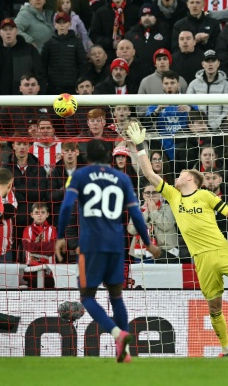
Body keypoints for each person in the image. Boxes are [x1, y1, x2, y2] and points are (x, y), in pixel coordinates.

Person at [126, 122, 228, 357]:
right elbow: (149, 173)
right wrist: (140, 145)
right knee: (214, 308)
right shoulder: (173, 196)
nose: (179, 175)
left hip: (222, 252)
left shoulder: (205, 195)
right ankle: (226, 349)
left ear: (191, 179)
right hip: (201, 260)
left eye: (183, 173)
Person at [54, 139, 159, 363]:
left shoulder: (80, 176)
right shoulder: (122, 178)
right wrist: (148, 242)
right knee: (116, 296)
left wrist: (61, 236)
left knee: (87, 296)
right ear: (110, 156)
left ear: (86, 156)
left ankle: (116, 333)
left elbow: (65, 206)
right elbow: (136, 215)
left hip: (91, 244)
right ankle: (125, 351)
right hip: (115, 244)